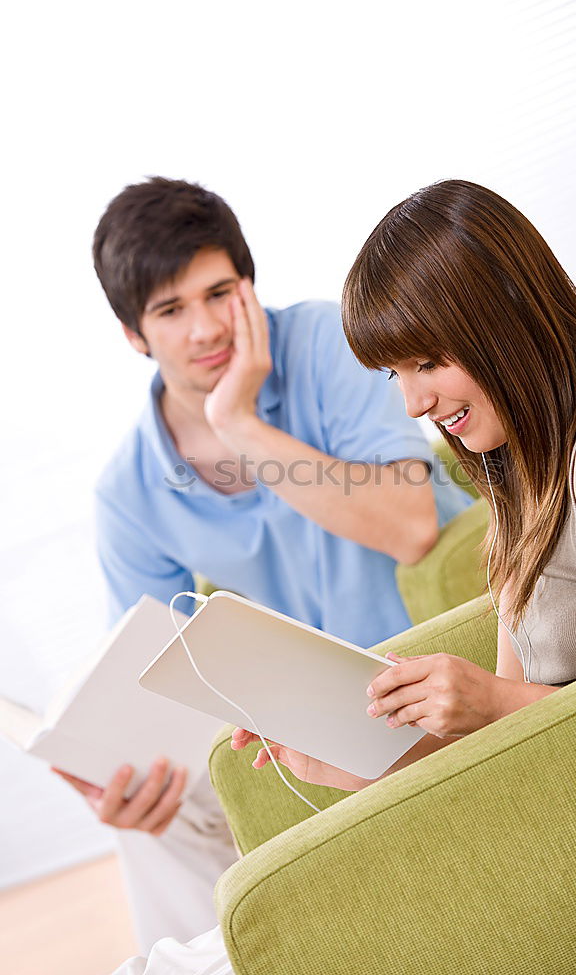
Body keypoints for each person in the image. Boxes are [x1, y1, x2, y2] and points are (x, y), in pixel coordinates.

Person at [111, 178, 576, 974]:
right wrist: (340, 752)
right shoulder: (522, 470)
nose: (410, 402)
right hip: (548, 800)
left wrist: (492, 700)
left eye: (429, 360)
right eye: (394, 373)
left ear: (509, 316)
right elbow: (520, 731)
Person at [55, 177, 471, 952]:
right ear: (133, 334)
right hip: (300, 700)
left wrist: (240, 422)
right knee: (157, 809)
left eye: (220, 293)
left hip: (425, 651)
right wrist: (121, 772)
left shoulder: (325, 341)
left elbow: (410, 526)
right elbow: (144, 670)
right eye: (171, 311)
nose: (208, 328)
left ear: (248, 285)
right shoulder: (128, 488)